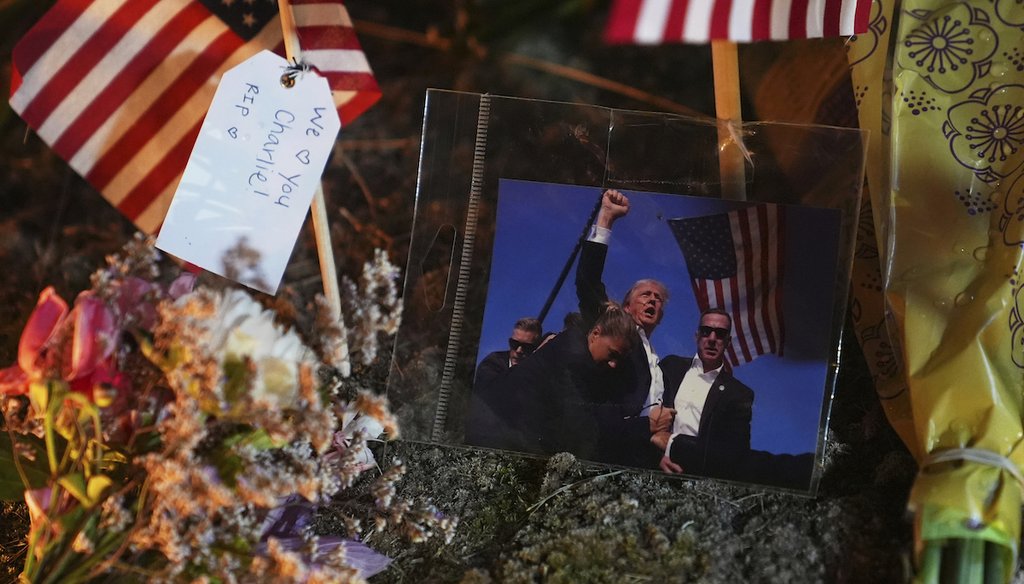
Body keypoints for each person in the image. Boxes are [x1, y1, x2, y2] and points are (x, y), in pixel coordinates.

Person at [465, 305, 639, 461]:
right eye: (612, 354)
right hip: (490, 447)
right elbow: (583, 430)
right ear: (595, 334)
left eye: (620, 360)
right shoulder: (573, 358)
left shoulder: (574, 351)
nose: (614, 364)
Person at [576, 188, 669, 467]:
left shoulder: (658, 361)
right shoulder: (616, 328)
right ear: (626, 306)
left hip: (644, 458)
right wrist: (606, 218)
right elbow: (588, 283)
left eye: (658, 298)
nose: (653, 300)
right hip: (604, 452)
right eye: (645, 295)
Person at [654, 308, 754, 479]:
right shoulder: (671, 367)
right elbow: (646, 407)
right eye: (706, 331)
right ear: (697, 335)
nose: (712, 339)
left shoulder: (739, 394)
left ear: (728, 341)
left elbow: (735, 452)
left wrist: (672, 444)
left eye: (720, 334)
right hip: (652, 466)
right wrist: (657, 457)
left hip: (697, 476)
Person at [474, 317, 542, 389]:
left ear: (536, 348)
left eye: (526, 347)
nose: (519, 350)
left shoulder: (540, 373)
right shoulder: (492, 363)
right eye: (514, 343)